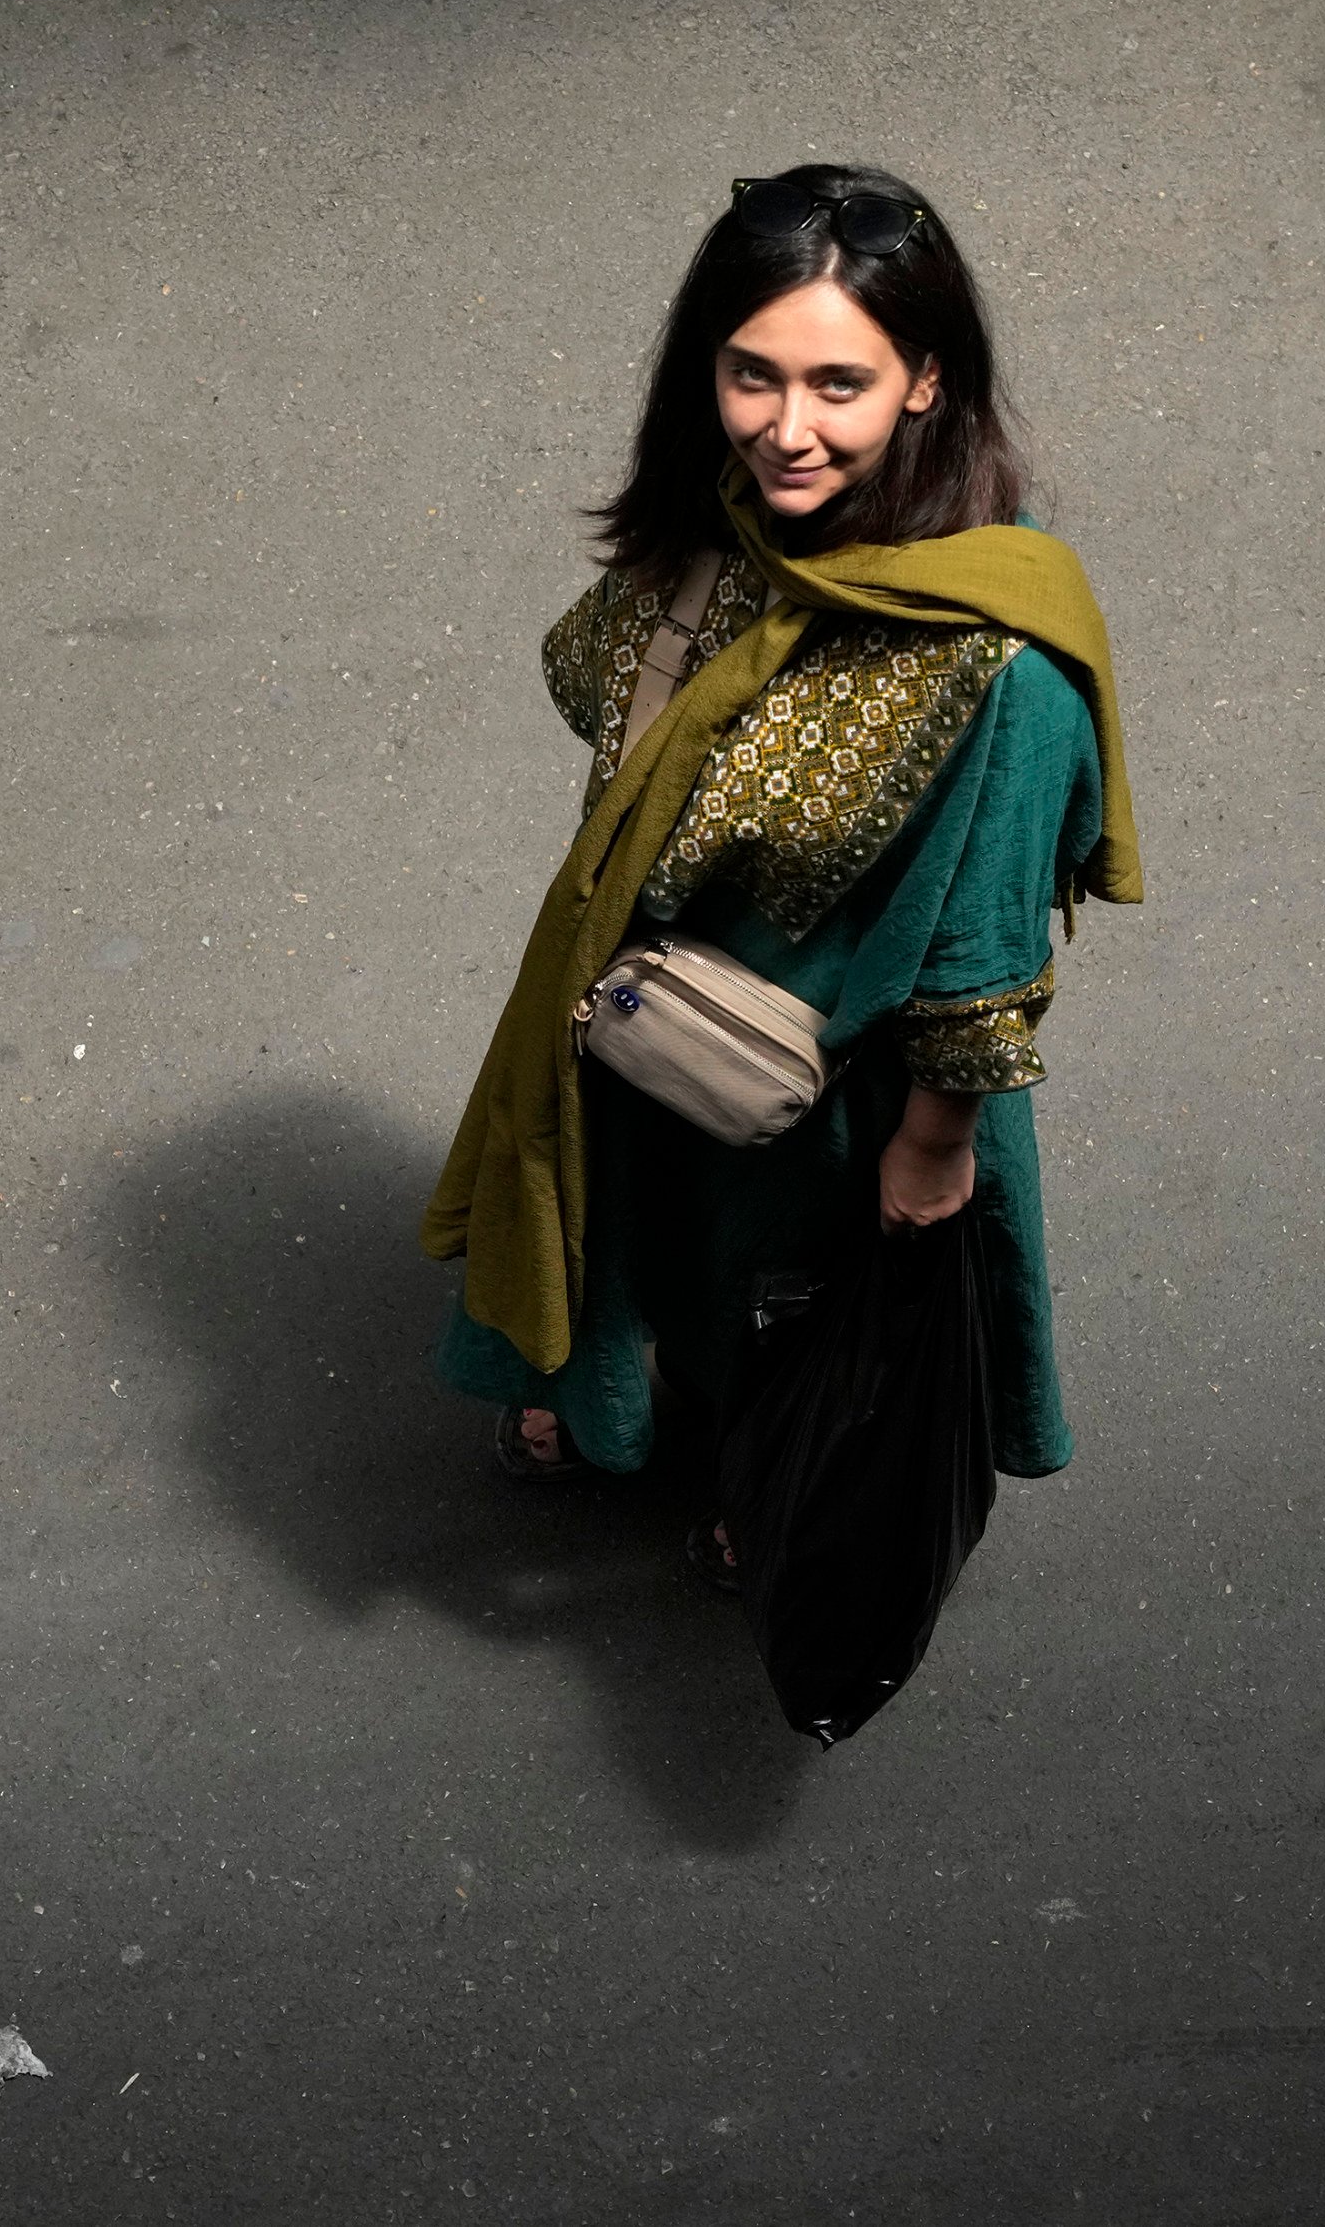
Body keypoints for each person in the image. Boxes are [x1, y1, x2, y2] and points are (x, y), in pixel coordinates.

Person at [421, 165, 1143, 1584]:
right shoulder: (722, 521)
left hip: (823, 1084)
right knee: (643, 1234)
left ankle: (783, 1486)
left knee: (796, 1315)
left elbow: (983, 961)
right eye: (752, 375)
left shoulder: (989, 655)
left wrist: (930, 1154)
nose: (787, 428)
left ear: (925, 382)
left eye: (837, 384)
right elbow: (604, 698)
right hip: (641, 1002)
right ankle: (614, 1397)